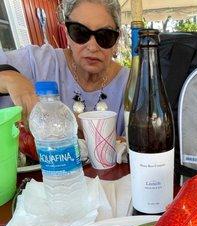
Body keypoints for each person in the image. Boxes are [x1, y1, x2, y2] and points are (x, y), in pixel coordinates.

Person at [0, 0, 129, 136]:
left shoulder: (132, 84)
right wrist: (9, 77)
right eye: (80, 32)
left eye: (104, 36)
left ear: (117, 39)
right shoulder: (39, 62)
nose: (92, 47)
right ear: (66, 32)